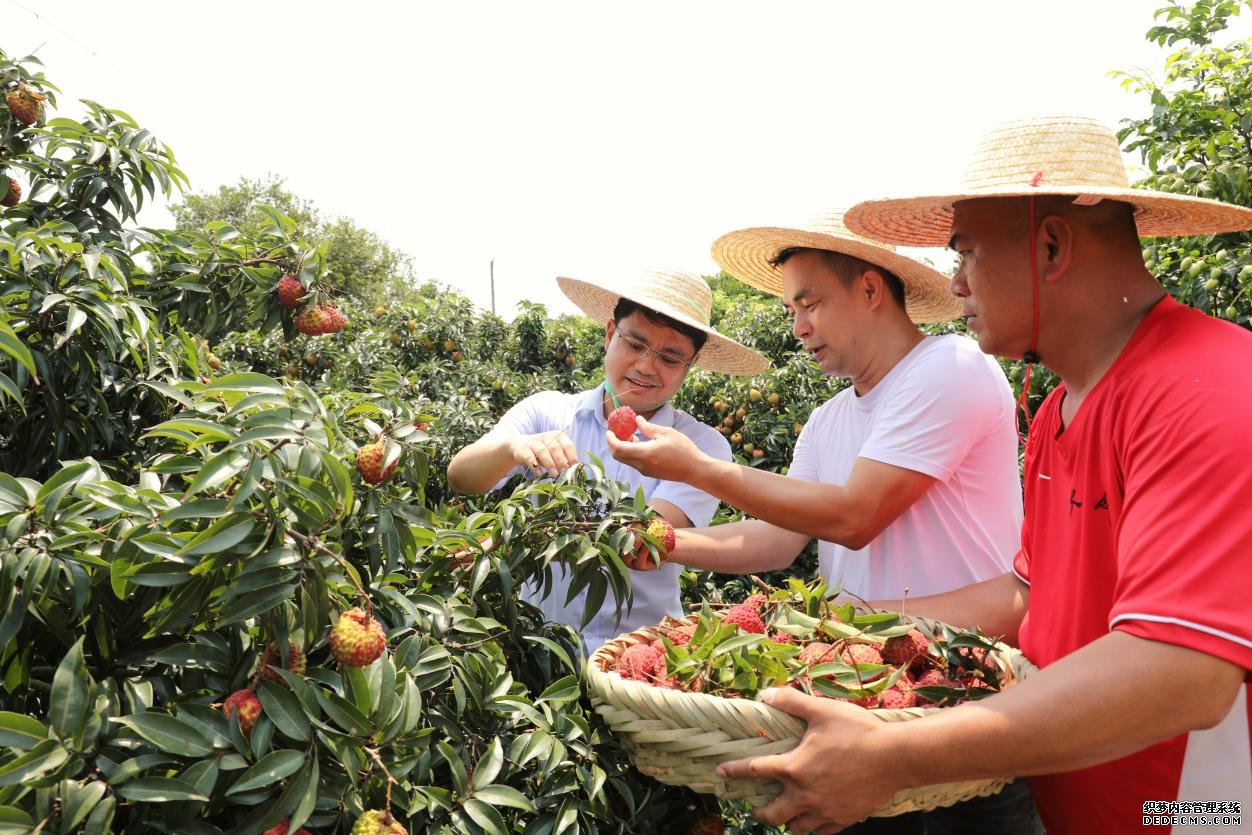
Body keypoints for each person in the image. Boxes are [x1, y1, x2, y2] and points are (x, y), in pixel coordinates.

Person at [711, 115, 1252, 835]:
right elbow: (1026, 595)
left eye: (964, 252)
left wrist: (897, 753)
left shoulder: (1207, 386)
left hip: (1189, 812)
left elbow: (1182, 673)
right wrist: (843, 629)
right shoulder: (1062, 409)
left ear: (1052, 245)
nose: (955, 281)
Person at [606, 215, 1037, 832]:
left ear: (869, 289)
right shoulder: (826, 421)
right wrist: (667, 543)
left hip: (959, 693)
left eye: (809, 303)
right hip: (859, 696)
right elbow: (778, 541)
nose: (798, 326)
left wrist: (699, 468)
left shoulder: (949, 367)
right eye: (789, 309)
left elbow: (855, 516)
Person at [447, 269, 767, 655]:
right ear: (609, 334)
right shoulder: (546, 413)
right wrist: (513, 448)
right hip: (532, 652)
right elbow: (460, 477)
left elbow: (640, 542)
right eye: (635, 343)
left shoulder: (702, 448)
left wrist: (504, 540)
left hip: (635, 661)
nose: (647, 367)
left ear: (689, 366)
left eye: (670, 358)